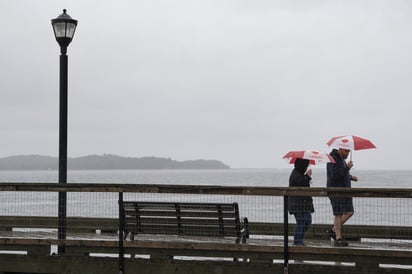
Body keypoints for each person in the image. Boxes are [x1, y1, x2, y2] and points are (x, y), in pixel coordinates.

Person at [326, 148, 359, 247]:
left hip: (345, 191)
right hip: (336, 191)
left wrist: (350, 177)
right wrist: (347, 168)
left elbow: (342, 173)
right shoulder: (332, 158)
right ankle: (338, 237)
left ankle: (333, 230)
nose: (347, 154)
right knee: (338, 213)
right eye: (345, 151)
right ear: (340, 149)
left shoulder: (341, 159)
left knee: (349, 212)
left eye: (348, 152)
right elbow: (335, 175)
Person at [288, 158, 314, 246]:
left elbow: (303, 182)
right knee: (302, 222)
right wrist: (308, 176)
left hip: (303, 203)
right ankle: (297, 241)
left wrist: (307, 176)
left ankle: (299, 240)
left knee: (307, 221)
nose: (307, 166)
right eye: (306, 165)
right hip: (297, 204)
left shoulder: (299, 173)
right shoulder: (295, 174)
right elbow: (301, 182)